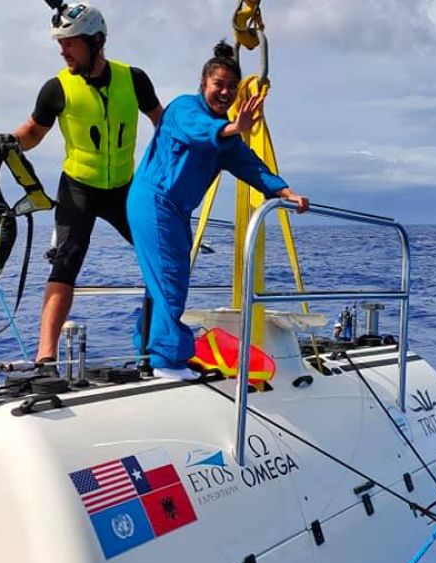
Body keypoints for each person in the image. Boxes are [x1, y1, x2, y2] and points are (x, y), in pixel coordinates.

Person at [127, 40, 308, 380]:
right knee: (170, 275)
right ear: (203, 83)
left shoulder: (227, 140)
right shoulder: (183, 109)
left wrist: (286, 191)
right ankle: (167, 361)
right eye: (218, 85)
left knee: (161, 280)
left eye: (231, 87)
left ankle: (148, 351)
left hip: (176, 210)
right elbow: (200, 132)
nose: (224, 92)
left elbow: (252, 167)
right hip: (154, 201)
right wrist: (232, 128)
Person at [14, 0, 163, 363]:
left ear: (96, 41)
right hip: (78, 188)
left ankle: (160, 342)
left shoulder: (135, 79)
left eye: (70, 42)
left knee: (161, 255)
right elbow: (34, 132)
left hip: (125, 190)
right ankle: (45, 357)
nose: (63, 50)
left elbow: (163, 123)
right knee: (66, 261)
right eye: (60, 43)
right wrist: (5, 144)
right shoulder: (57, 88)